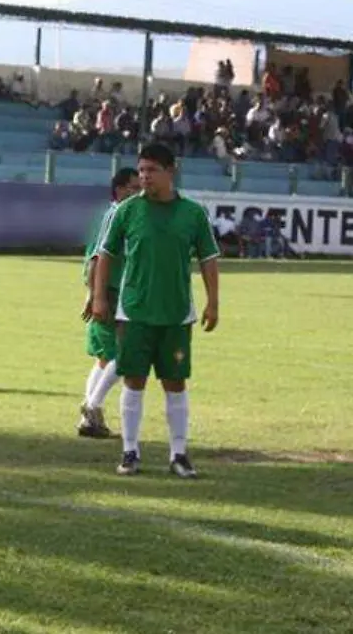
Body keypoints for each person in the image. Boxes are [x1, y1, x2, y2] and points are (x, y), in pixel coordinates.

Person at [93, 143, 220, 478]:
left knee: (174, 383)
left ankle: (178, 454)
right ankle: (130, 451)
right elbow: (105, 255)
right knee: (133, 382)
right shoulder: (127, 211)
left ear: (170, 171)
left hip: (177, 313)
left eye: (151, 170)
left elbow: (208, 259)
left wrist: (213, 301)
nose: (145, 177)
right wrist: (99, 297)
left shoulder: (192, 214)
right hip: (134, 312)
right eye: (142, 170)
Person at [77, 167, 139, 438]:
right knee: (122, 355)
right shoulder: (115, 215)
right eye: (134, 188)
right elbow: (96, 256)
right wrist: (95, 295)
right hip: (111, 292)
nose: (138, 193)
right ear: (121, 190)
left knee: (105, 357)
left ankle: (89, 418)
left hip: (116, 291)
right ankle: (92, 406)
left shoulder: (122, 214)